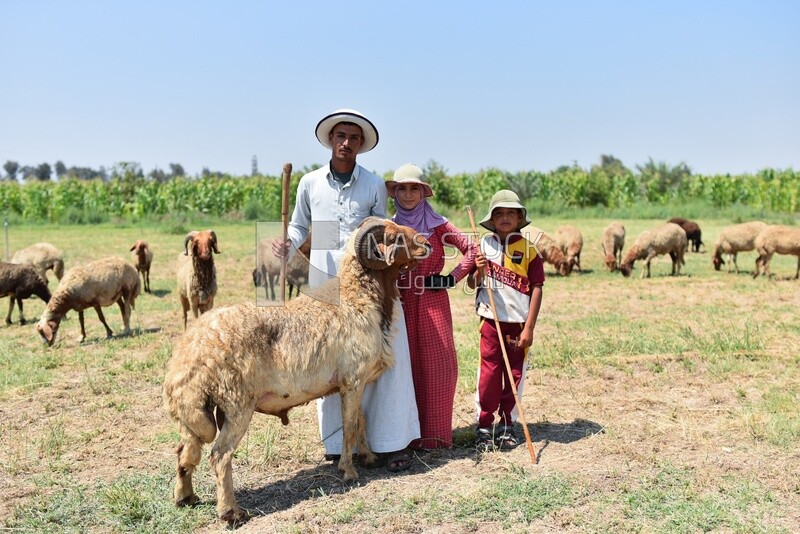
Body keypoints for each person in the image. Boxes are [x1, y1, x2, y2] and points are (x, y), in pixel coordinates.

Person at [274, 109, 419, 472]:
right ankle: (338, 445)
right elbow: (296, 228)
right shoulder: (310, 183)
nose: (346, 143)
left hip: (364, 276)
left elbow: (382, 231)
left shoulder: (372, 184)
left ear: (360, 145)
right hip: (324, 275)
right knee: (327, 356)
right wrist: (284, 246)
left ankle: (386, 441)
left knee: (380, 356)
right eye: (341, 136)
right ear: (330, 140)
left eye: (354, 138)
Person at [386, 163, 478, 449]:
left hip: (432, 301)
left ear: (423, 192)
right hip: (399, 303)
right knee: (404, 368)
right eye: (403, 188)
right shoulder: (388, 226)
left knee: (438, 367)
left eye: (415, 188)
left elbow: (473, 249)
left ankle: (435, 437)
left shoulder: (438, 224)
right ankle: (405, 438)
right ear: (395, 192)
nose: (409, 194)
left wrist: (451, 278)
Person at [468, 189, 544, 450]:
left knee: (514, 373)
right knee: (489, 373)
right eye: (499, 213)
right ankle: (484, 425)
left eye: (511, 213)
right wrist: (478, 270)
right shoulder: (483, 247)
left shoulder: (529, 250)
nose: (505, 217)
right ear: (491, 218)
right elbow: (472, 283)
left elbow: (537, 287)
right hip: (490, 320)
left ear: (520, 217)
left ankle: (507, 424)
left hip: (518, 323)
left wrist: (530, 328)